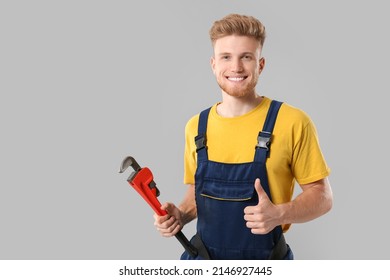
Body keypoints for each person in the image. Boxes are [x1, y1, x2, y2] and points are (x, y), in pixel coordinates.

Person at [154, 13, 333, 260]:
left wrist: (280, 214)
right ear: (213, 64)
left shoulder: (293, 121)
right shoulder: (196, 126)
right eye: (226, 57)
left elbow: (322, 197)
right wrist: (181, 214)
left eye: (246, 57)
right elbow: (198, 191)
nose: (236, 67)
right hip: (202, 261)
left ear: (260, 64)